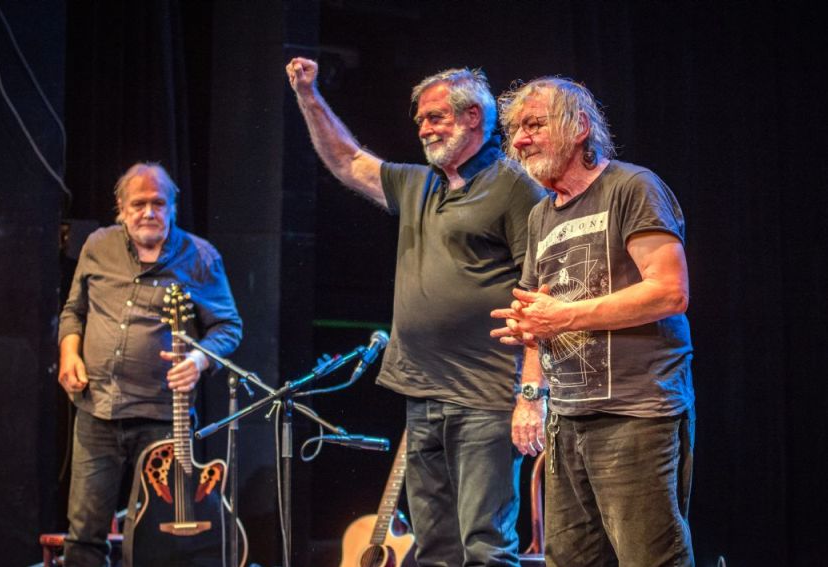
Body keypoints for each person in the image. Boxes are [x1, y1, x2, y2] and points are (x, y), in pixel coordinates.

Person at [286, 58, 544, 566]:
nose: (423, 128)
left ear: (473, 117)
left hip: (487, 396)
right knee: (434, 548)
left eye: (435, 117)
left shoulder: (513, 187)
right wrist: (308, 97)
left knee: (485, 546)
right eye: (420, 119)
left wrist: (531, 393)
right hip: (422, 392)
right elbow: (347, 161)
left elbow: (540, 290)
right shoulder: (417, 184)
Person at [491, 77, 696, 566]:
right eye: (515, 130)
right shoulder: (541, 216)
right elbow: (539, 312)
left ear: (580, 126)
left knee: (649, 557)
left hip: (635, 412)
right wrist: (530, 393)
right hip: (566, 420)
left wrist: (563, 317)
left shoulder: (632, 187)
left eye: (534, 124)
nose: (520, 140)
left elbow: (670, 291)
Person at [57, 162, 242, 566]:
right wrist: (69, 353)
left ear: (172, 207)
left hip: (162, 418)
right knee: (84, 533)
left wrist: (198, 359)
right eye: (138, 204)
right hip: (98, 409)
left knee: (151, 538)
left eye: (158, 203)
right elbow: (74, 310)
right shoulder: (98, 246)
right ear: (121, 209)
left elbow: (228, 326)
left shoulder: (199, 256)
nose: (148, 212)